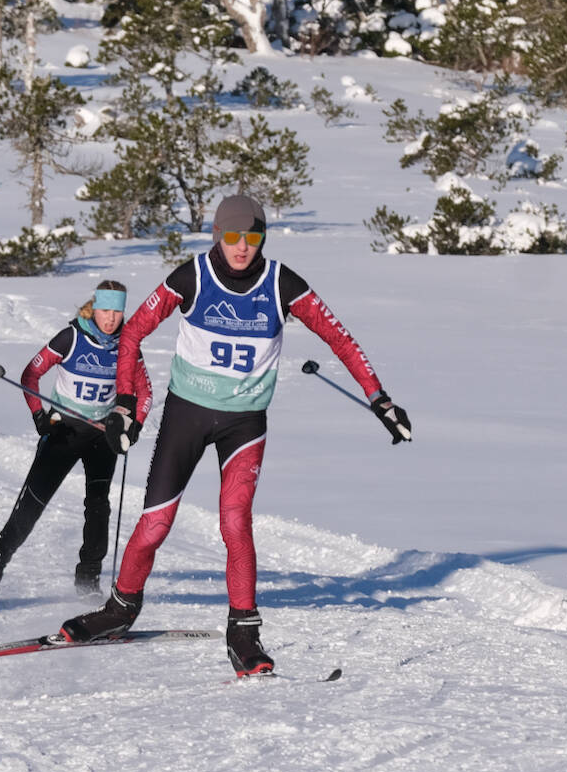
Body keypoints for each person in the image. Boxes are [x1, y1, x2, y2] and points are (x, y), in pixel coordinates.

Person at [59, 195, 412, 677]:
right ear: (217, 236)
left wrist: (379, 397)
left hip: (245, 423)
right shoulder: (193, 276)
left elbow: (340, 338)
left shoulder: (282, 283)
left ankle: (243, 632)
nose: (241, 247)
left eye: (252, 237)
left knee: (234, 522)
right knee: (157, 524)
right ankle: (120, 609)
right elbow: (135, 331)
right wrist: (124, 401)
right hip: (187, 414)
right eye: (231, 237)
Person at [0, 281, 154, 604]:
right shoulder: (71, 337)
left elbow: (145, 394)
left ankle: (88, 585)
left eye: (118, 312)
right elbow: (30, 375)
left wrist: (134, 426)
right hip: (65, 432)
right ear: (94, 308)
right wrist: (39, 416)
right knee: (30, 508)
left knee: (98, 509)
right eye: (106, 310)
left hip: (103, 435)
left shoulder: (127, 346)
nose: (111, 319)